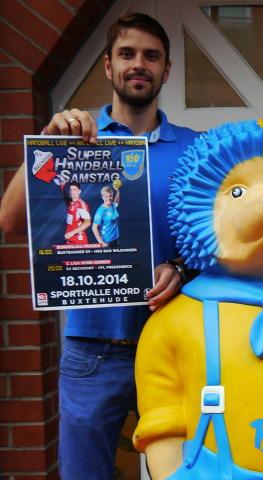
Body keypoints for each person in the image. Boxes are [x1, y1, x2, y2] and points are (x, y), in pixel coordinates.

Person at [0, 13, 198, 480]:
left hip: (176, 343)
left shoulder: (195, 149)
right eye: (127, 54)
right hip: (92, 351)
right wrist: (46, 146)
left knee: (193, 473)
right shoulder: (74, 141)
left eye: (151, 56)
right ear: (107, 66)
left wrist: (182, 268)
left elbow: (223, 240)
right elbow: (11, 222)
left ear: (166, 70)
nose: (139, 64)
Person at [92, 182, 121, 247]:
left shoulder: (112, 205)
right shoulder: (101, 210)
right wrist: (101, 242)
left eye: (110, 196)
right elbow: (94, 228)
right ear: (102, 197)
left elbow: (116, 202)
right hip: (106, 242)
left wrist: (117, 191)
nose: (108, 198)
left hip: (116, 239)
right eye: (106, 196)